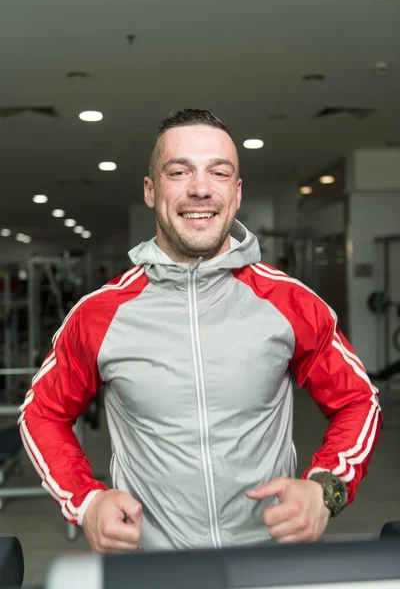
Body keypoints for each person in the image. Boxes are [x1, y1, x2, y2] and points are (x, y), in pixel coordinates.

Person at [18, 109, 382, 554]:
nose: (201, 188)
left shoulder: (290, 302)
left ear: (236, 190)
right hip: (155, 568)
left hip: (268, 560)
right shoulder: (99, 314)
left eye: (219, 172)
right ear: (151, 191)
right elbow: (42, 413)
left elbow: (357, 400)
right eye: (179, 171)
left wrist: (327, 489)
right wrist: (87, 500)